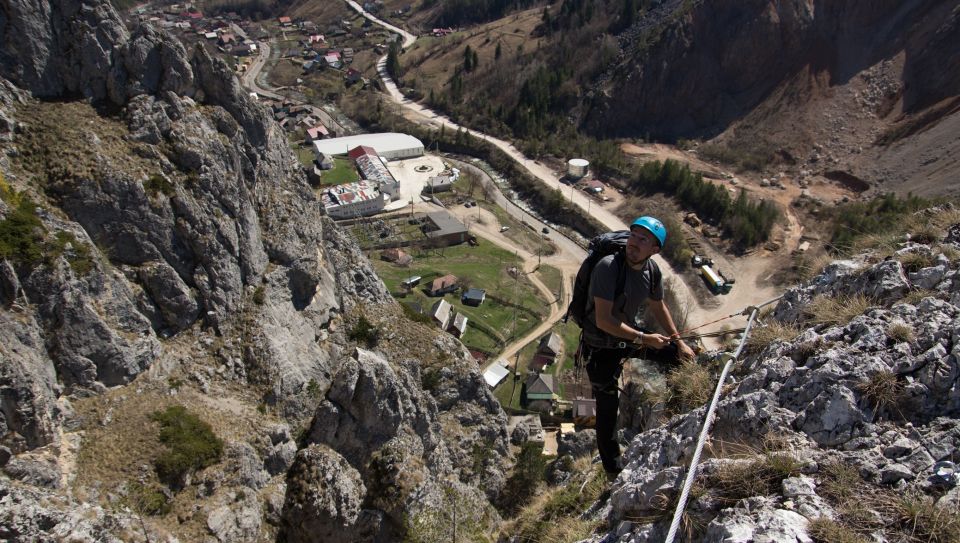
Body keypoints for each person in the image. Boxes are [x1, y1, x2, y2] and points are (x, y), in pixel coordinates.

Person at [580, 216, 695, 479]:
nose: (634, 242)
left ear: (655, 249)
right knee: (608, 409)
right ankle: (613, 470)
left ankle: (677, 411)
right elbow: (604, 320)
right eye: (633, 235)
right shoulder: (608, 267)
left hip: (626, 337)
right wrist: (644, 339)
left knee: (675, 356)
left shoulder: (651, 271)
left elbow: (659, 306)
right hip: (600, 346)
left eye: (644, 239)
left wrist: (679, 342)